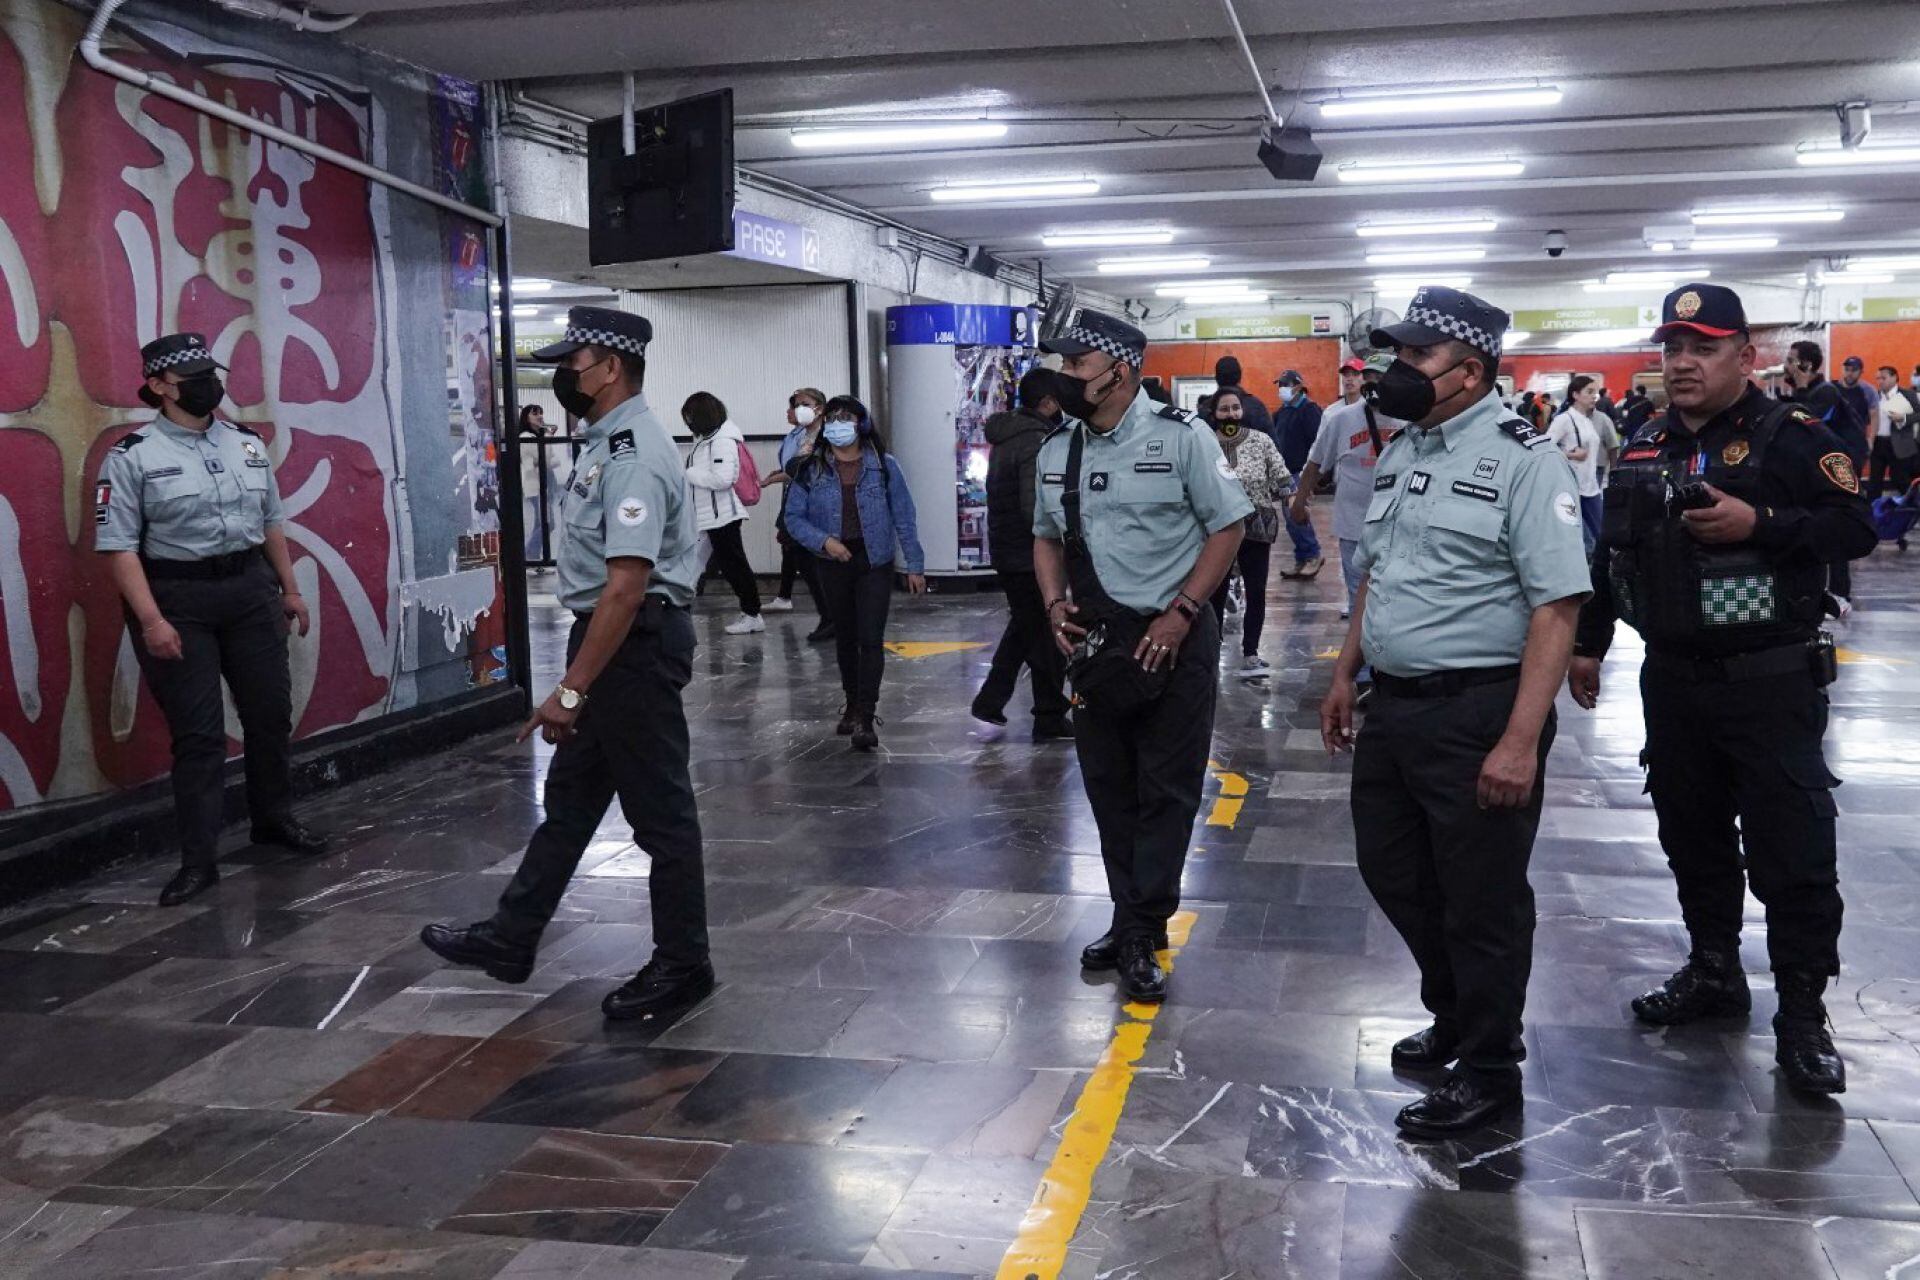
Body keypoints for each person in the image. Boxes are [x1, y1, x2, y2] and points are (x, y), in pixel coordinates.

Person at [1568, 283, 1876, 1096]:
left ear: (1746, 356)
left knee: (1792, 854)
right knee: (1691, 837)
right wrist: (1589, 645)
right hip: (1673, 682)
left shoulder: (1794, 437)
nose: (1683, 363)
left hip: (1770, 683)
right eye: (1672, 349)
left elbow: (1856, 528)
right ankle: (1713, 972)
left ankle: (1804, 1017)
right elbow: (1611, 557)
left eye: (1702, 348)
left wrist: (1761, 525)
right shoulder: (1641, 442)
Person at [1320, 286, 1590, 1138]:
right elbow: (1379, 572)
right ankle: (1458, 1012)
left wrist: (1520, 740)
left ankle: (1488, 1069)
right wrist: (1343, 669)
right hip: (1395, 707)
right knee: (1394, 872)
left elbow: (1557, 607)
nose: (1394, 372)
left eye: (1414, 358)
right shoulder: (1406, 448)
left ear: (1469, 371)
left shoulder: (1524, 459)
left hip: (1479, 711)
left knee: (1482, 898)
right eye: (1393, 356)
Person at [421, 306, 714, 1022]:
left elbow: (625, 585)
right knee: (573, 804)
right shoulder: (604, 443)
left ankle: (684, 965)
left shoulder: (633, 454)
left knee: (663, 819)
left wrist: (572, 690)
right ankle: (512, 936)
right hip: (616, 640)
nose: (564, 375)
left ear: (610, 367)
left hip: (632, 647)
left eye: (573, 361)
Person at [1034, 310, 1251, 1004]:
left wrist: (1184, 611)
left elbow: (1229, 525)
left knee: (1167, 788)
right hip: (1098, 645)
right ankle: (1131, 916)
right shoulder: (1056, 450)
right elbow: (1044, 536)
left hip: (1176, 640)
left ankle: (1143, 926)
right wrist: (1052, 604)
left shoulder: (1181, 438)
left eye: (1077, 367)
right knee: (1108, 789)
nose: (1066, 378)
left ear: (1118, 371)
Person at [95, 333, 328, 907]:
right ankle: (198, 860)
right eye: (192, 377)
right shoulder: (133, 457)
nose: (208, 385)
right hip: (177, 598)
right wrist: (151, 621)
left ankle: (273, 820)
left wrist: (290, 590)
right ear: (158, 387)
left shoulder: (245, 444)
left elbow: (270, 520)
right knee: (198, 737)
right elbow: (118, 547)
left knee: (270, 715)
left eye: (209, 373)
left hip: (249, 590)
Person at [784, 395, 927, 751]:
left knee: (870, 637)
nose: (837, 423)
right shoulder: (810, 468)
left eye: (846, 417)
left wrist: (915, 564)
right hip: (833, 562)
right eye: (831, 417)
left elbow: (904, 516)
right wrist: (825, 542)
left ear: (862, 424)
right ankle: (851, 700)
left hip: (873, 562)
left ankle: (866, 713)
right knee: (846, 638)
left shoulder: (884, 466)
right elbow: (793, 519)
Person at [972, 367, 1074, 738]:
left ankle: (991, 699)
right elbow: (1037, 510)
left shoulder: (1010, 434)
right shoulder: (1034, 440)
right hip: (1028, 554)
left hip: (1008, 548)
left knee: (1025, 627)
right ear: (1047, 403)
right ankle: (1048, 714)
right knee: (1046, 635)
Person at [1293, 354, 1408, 626]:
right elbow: (1316, 463)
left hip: (1400, 526)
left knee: (1398, 596)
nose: (1373, 384)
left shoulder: (1412, 419)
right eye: (1369, 378)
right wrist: (1299, 501)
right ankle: (1364, 662)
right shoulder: (1341, 419)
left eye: (1380, 378)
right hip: (1354, 525)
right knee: (1359, 598)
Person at [1205, 387, 1292, 679]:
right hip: (1217, 531)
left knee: (1256, 591)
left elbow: (1282, 477)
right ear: (1214, 414)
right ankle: (1211, 648)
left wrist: (1293, 498)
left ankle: (1251, 653)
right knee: (1214, 591)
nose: (1230, 414)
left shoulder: (1261, 441)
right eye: (1224, 409)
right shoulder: (1203, 444)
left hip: (1257, 529)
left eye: (1235, 408)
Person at [1784, 342, 1869, 618]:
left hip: (1842, 464)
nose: (1786, 365)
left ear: (1806, 365)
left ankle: (1841, 594)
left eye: (1791, 360)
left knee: (1836, 524)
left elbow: (1809, 422)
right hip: (1824, 463)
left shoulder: (1826, 392)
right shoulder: (1809, 392)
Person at [680, 391, 764, 636]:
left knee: (734, 566)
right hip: (708, 516)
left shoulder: (722, 441)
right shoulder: (708, 440)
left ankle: (752, 614)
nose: (688, 421)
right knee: (694, 561)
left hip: (722, 517)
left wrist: (690, 474)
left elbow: (723, 479)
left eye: (690, 416)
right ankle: (680, 602)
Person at [762, 388, 833, 640]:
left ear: (820, 408)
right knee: (801, 557)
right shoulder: (802, 434)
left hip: (816, 505)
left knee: (814, 560)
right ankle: (828, 615)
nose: (799, 408)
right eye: (797, 404)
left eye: (805, 403)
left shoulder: (827, 434)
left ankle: (831, 616)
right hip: (797, 502)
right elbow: (794, 468)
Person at [1271, 369, 1325, 578]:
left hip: (1300, 473)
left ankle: (1312, 555)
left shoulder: (1310, 410)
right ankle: (1302, 558)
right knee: (1290, 517)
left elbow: (1318, 443)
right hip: (1284, 473)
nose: (1281, 389)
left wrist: (1313, 477)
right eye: (1279, 385)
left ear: (1298, 386)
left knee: (1296, 515)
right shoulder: (1282, 412)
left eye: (1284, 384)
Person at [1548, 375, 1608, 552]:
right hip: (1571, 489)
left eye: (1595, 392)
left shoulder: (1587, 421)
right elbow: (1544, 448)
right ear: (1575, 394)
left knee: (1603, 535)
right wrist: (1570, 455)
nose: (1594, 396)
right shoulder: (1564, 419)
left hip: (1591, 488)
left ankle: (1601, 574)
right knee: (1574, 539)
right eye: (1589, 392)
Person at [1869, 364, 1916, 501]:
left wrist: (1904, 418)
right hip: (1878, 443)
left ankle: (1911, 511)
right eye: (1878, 378)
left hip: (1899, 444)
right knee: (1874, 482)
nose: (1880, 381)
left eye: (1883, 378)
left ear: (1894, 377)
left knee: (1901, 480)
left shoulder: (1908, 395)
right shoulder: (1875, 396)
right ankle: (1873, 514)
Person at [1213, 355, 1275, 444]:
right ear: (1240, 376)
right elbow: (1273, 444)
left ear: (1216, 378)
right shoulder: (1256, 406)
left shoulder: (1206, 408)